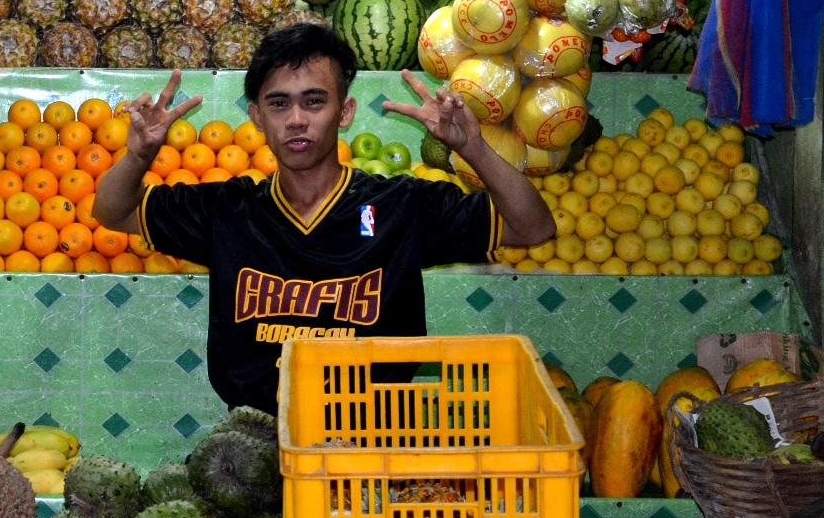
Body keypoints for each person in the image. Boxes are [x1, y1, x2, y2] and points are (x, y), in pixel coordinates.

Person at [93, 24, 556, 414]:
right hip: (256, 444)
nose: (296, 119)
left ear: (345, 112)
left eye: (314, 102)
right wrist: (138, 156)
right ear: (257, 117)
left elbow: (533, 227)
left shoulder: (400, 206)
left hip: (376, 444)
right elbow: (112, 212)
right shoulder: (228, 210)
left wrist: (471, 147)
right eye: (279, 104)